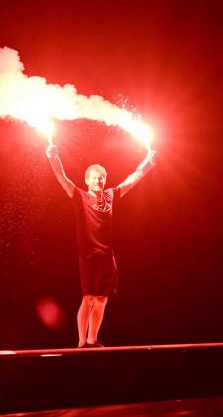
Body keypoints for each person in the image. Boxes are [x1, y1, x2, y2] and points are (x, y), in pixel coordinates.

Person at [46, 142, 156, 348]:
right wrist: (53, 157)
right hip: (88, 256)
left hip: (107, 256)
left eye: (102, 177)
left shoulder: (111, 195)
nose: (99, 180)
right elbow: (62, 177)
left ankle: (92, 340)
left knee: (102, 300)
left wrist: (148, 162)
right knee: (88, 299)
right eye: (95, 177)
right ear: (87, 180)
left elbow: (131, 180)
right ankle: (81, 343)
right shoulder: (79, 195)